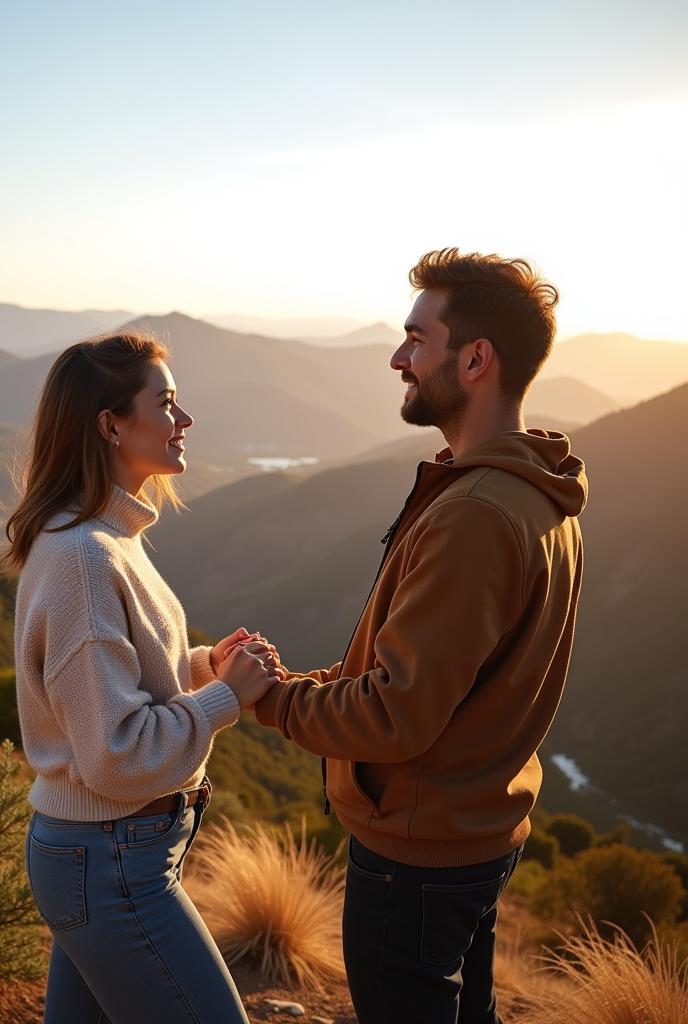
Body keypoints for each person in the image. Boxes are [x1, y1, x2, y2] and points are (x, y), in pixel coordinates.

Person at [252, 249, 588, 1023]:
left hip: (417, 854)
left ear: (475, 359)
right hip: (473, 832)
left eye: (415, 339)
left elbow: (396, 714)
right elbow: (418, 671)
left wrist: (269, 702)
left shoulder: (476, 513)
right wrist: (305, 685)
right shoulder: (534, 493)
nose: (397, 358)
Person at [7, 331, 279, 1024]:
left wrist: (200, 666)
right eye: (166, 403)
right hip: (113, 864)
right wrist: (223, 699)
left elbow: (110, 686)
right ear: (110, 425)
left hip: (99, 858)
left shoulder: (99, 537)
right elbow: (115, 753)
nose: (184, 421)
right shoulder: (84, 558)